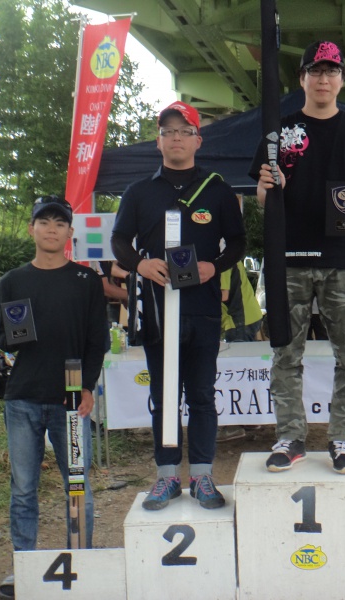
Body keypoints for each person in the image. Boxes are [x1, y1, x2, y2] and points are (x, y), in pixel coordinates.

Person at [251, 40, 345, 474]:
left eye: (332, 71)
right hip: (287, 258)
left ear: (342, 79)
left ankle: (342, 437)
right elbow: (259, 195)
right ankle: (290, 436)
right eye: (316, 70)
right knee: (285, 354)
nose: (324, 78)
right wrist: (269, 189)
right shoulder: (280, 130)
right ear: (302, 78)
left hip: (342, 259)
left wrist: (344, 214)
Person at [111, 101, 246, 511]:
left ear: (197, 140)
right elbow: (119, 242)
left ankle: (203, 476)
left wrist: (213, 266)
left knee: (202, 394)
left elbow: (238, 243)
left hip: (203, 309)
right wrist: (141, 264)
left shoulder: (218, 189)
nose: (176, 139)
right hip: (157, 311)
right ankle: (166, 476)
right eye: (168, 132)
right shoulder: (139, 192)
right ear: (158, 141)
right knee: (164, 395)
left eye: (184, 132)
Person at [0, 195, 107, 599]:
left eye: (59, 223)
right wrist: (14, 333)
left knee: (77, 485)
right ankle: (22, 565)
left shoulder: (85, 280)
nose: (51, 229)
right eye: (43, 222)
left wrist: (88, 387)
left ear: (69, 233)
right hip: (22, 397)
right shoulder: (12, 281)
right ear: (31, 229)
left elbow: (99, 340)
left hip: (71, 400)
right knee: (23, 487)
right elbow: (4, 337)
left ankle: (83, 561)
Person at [216, 260, 263, 443]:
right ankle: (251, 420)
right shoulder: (228, 256)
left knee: (237, 374)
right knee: (247, 371)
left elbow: (223, 294)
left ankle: (233, 425)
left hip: (239, 321)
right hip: (247, 317)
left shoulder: (222, 261)